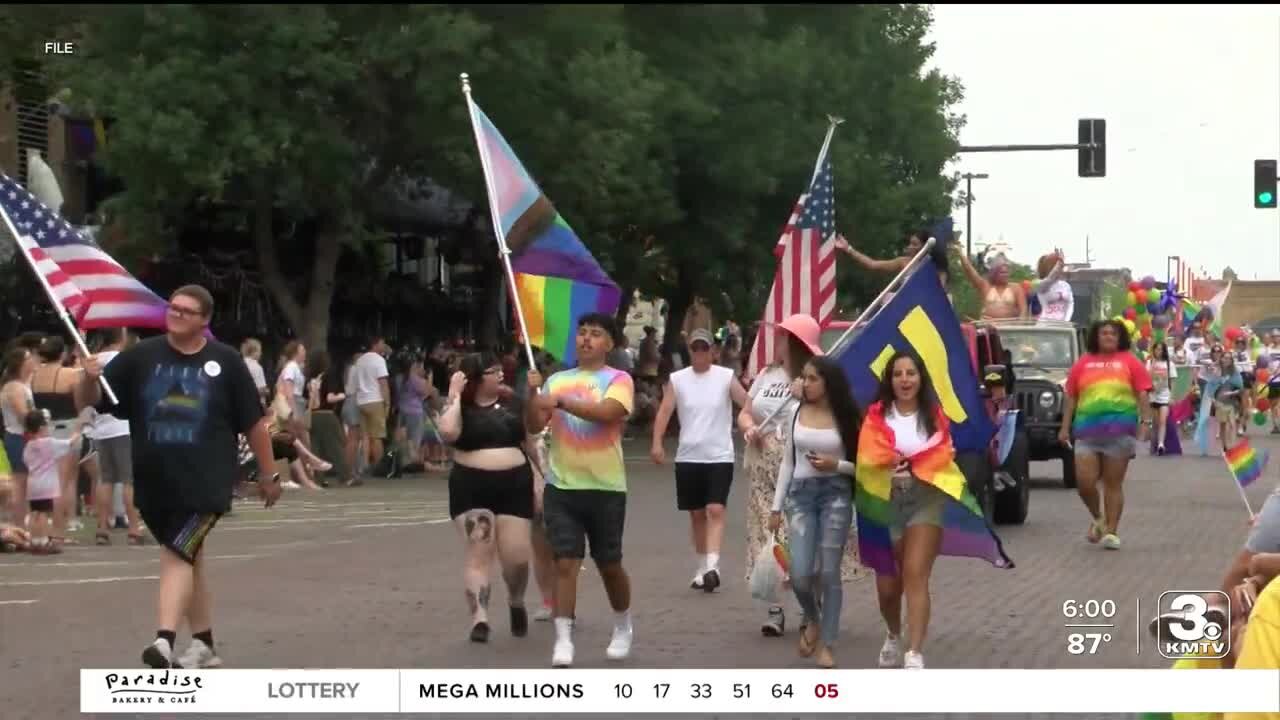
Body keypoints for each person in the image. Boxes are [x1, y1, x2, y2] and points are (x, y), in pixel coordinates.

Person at [77, 284, 280, 669]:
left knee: (176, 551)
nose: (177, 314)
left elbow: (254, 423)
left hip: (207, 480)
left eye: (187, 311)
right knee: (189, 555)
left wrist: (269, 473)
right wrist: (88, 378)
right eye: (173, 308)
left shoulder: (227, 362)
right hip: (156, 480)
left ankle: (164, 639)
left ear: (204, 320)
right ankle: (204, 644)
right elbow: (90, 400)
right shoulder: (139, 357)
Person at [855, 350, 1012, 670]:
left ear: (921, 377)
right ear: (889, 379)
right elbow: (866, 456)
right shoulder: (875, 416)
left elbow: (944, 452)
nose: (904, 380)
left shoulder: (934, 414)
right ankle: (893, 633)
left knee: (915, 573)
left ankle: (914, 651)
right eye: (898, 374)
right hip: (885, 503)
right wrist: (886, 462)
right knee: (888, 586)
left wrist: (919, 465)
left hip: (926, 500)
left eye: (910, 373)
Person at [738, 314, 865, 637]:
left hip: (804, 468)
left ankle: (813, 610)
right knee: (769, 539)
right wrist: (749, 428)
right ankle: (775, 609)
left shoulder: (813, 380)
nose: (779, 344)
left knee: (805, 544)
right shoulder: (767, 375)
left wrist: (802, 394)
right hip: (764, 467)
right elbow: (745, 411)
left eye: (784, 338)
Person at [524, 312, 635, 668]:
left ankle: (622, 625)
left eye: (596, 334)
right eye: (582, 332)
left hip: (605, 488)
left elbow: (607, 413)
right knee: (565, 562)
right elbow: (532, 423)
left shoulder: (618, 379)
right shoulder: (556, 380)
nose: (586, 339)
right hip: (563, 486)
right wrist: (533, 396)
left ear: (609, 344)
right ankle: (563, 638)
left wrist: (559, 402)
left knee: (610, 565)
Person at [766, 355, 861, 668]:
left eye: (811, 379)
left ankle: (828, 643)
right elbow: (788, 462)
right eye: (803, 377)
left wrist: (837, 465)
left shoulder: (846, 416)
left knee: (830, 571)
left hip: (836, 494)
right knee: (800, 574)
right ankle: (814, 618)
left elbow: (863, 467)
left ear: (827, 382)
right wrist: (776, 506)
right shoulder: (795, 413)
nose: (804, 384)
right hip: (802, 496)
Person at [437, 352, 535, 643]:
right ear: (476, 379)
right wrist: (454, 394)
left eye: (500, 370)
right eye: (493, 371)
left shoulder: (514, 404)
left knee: (516, 558)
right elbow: (448, 431)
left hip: (515, 485)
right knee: (479, 552)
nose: (501, 374)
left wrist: (542, 480)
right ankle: (480, 617)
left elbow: (530, 442)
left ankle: (516, 600)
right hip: (471, 487)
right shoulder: (460, 407)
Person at [650, 328, 749, 592]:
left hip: (719, 454)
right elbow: (665, 411)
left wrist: (757, 425)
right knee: (696, 514)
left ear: (713, 352)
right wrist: (657, 442)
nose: (700, 353)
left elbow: (747, 403)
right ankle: (702, 565)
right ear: (689, 350)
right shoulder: (678, 379)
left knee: (715, 509)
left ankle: (713, 566)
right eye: (695, 348)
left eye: (704, 348)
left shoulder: (726, 377)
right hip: (689, 455)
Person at [1060, 319, 1153, 550]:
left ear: (1120, 338)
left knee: (1113, 484)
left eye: (1113, 333)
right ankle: (1098, 518)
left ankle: (1111, 531)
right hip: (1086, 433)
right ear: (1096, 337)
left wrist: (1146, 421)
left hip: (1119, 432)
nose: (1109, 336)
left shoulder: (1131, 362)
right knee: (1085, 483)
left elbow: (1142, 394)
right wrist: (1064, 427)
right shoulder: (1083, 363)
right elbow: (1071, 396)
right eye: (1104, 333)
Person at [90, 328, 143, 545]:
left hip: (101, 428)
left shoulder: (93, 361)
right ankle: (133, 528)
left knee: (106, 479)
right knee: (129, 480)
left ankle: (102, 528)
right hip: (123, 426)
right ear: (121, 338)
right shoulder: (126, 360)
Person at [22, 409, 81, 554]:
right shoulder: (49, 443)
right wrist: (78, 430)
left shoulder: (29, 446)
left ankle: (34, 540)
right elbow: (69, 443)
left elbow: (26, 461)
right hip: (46, 486)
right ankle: (43, 540)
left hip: (33, 484)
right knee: (43, 514)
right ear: (42, 428)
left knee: (34, 513)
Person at [834, 228, 950, 288]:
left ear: (926, 246)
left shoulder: (937, 268)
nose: (910, 247)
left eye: (914, 244)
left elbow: (938, 294)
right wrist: (848, 248)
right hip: (906, 311)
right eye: (910, 243)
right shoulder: (903, 262)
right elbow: (873, 264)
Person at [1, 348, 35, 523]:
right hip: (19, 437)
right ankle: (19, 522)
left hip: (22, 436)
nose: (33, 360)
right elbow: (23, 415)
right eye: (28, 358)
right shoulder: (14, 387)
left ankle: (23, 521)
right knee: (20, 482)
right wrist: (39, 419)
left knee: (24, 482)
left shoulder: (23, 385)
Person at [352, 337, 391, 476]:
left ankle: (364, 465)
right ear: (376, 344)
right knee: (377, 436)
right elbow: (383, 383)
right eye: (382, 343)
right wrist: (387, 402)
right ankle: (379, 466)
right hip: (375, 400)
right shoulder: (379, 360)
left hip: (361, 400)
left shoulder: (360, 360)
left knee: (365, 436)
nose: (384, 345)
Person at [954, 247, 1027, 320]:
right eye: (1002, 272)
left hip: (1009, 327)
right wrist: (960, 253)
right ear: (994, 273)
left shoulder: (1016, 287)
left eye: (1007, 272)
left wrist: (1020, 323)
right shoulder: (985, 286)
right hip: (987, 326)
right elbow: (969, 271)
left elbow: (1023, 309)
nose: (1005, 275)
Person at [1147, 341, 1178, 455]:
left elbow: (1173, 382)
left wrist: (1171, 397)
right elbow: (1147, 378)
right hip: (1153, 394)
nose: (1158, 351)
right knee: (1155, 422)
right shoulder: (1150, 363)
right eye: (1157, 349)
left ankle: (1161, 444)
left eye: (1161, 349)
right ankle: (1154, 444)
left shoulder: (1169, 364)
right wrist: (1152, 366)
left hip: (1165, 395)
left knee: (1162, 420)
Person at [1034, 249, 1074, 322]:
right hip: (1046, 325)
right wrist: (1059, 264)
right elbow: (1050, 279)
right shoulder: (1039, 284)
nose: (1061, 268)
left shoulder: (1066, 285)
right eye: (1054, 265)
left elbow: (1070, 305)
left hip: (1064, 326)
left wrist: (1066, 321)